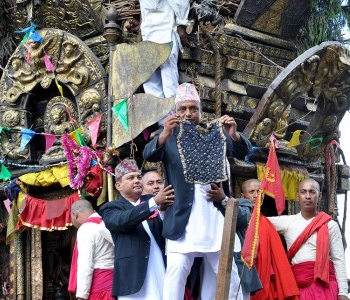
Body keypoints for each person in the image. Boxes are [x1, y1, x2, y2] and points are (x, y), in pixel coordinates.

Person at [143, 83, 252, 300]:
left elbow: (243, 151)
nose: (188, 113)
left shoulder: (214, 134)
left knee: (228, 280)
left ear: (200, 111)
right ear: (175, 111)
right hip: (181, 219)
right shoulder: (168, 136)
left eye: (193, 108)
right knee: (174, 280)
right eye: (182, 109)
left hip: (214, 217)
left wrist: (234, 134)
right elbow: (149, 155)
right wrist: (165, 133)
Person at [99, 158, 174, 299]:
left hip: (161, 271)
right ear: (118, 185)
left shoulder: (153, 201)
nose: (137, 180)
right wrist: (154, 203)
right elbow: (122, 222)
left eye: (139, 177)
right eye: (131, 178)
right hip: (132, 277)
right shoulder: (110, 208)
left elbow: (167, 230)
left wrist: (163, 210)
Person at [268, 178, 348, 300]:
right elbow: (259, 223)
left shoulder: (329, 225)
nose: (308, 196)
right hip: (298, 287)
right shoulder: (288, 222)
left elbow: (338, 259)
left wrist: (342, 292)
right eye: (303, 192)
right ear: (297, 196)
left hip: (325, 287)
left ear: (319, 196)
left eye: (312, 192)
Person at [240, 179, 299, 300]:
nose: (257, 196)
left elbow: (279, 259)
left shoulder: (267, 224)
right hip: (240, 273)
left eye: (260, 192)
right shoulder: (235, 219)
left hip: (263, 276)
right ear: (242, 196)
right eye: (252, 192)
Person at [208, 182, 262, 300]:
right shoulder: (201, 206)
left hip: (236, 264)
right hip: (206, 262)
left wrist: (223, 200)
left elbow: (243, 218)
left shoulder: (241, 202)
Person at [133, 0, 190, 99]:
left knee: (169, 78)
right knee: (150, 79)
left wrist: (182, 25)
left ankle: (172, 111)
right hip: (148, 33)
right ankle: (157, 113)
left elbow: (180, 2)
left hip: (165, 30)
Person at [69, 200, 114, 300]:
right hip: (115, 285)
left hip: (99, 288)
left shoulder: (86, 228)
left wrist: (82, 295)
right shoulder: (108, 222)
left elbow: (85, 264)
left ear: (74, 214)